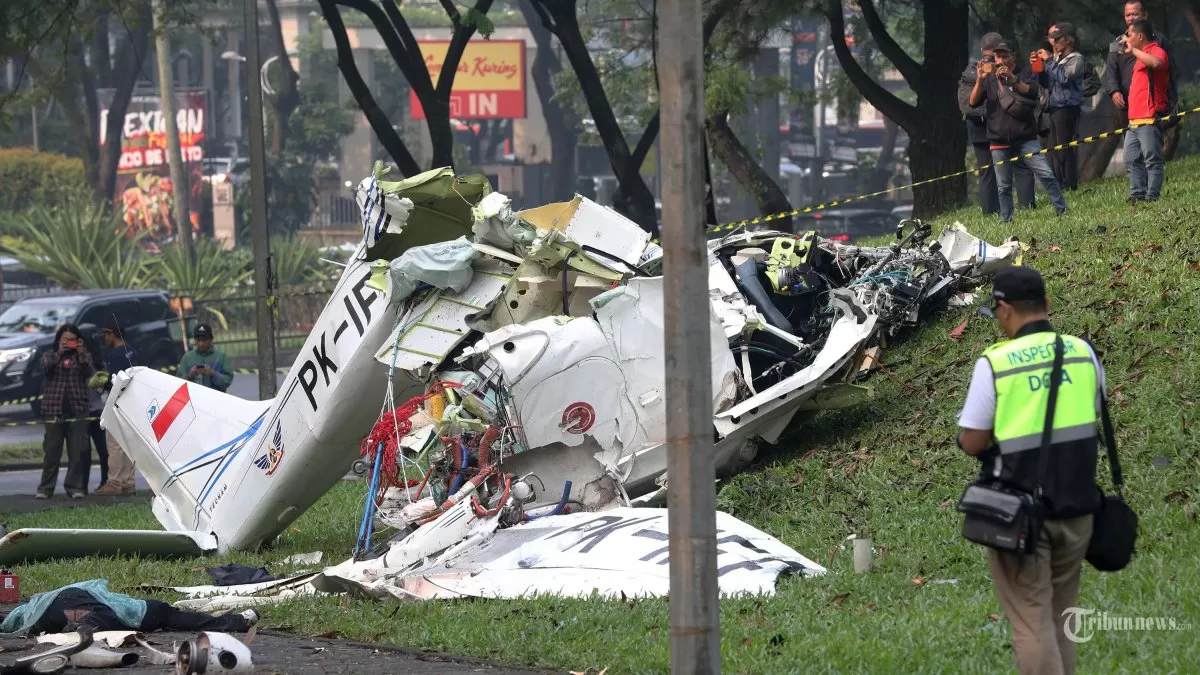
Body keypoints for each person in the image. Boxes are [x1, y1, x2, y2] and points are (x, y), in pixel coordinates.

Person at [957, 267, 1106, 675]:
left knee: (1030, 621)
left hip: (1021, 516)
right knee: (1061, 615)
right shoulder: (1081, 351)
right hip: (1078, 512)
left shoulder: (997, 363)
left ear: (1003, 309)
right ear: (1048, 306)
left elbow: (971, 442)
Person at [968, 35, 1069, 223]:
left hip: (1025, 137)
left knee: (1046, 174)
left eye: (1004, 56)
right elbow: (973, 102)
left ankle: (1062, 210)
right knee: (1003, 186)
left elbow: (1031, 91)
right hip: (998, 140)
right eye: (997, 57)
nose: (1000, 61)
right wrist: (980, 80)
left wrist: (1012, 78)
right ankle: (1006, 219)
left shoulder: (1025, 73)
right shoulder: (989, 79)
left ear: (1013, 57)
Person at [0, 579, 258, 637]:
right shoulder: (51, 601)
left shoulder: (27, 616)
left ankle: (233, 621)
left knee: (171, 616)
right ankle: (237, 622)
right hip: (143, 612)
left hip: (64, 611)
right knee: (173, 616)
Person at [960, 32, 1037, 215]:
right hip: (998, 127)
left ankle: (991, 211)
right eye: (995, 57)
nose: (995, 62)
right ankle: (1024, 207)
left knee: (989, 174)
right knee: (1018, 167)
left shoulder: (971, 70)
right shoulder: (982, 72)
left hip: (986, 129)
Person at [35, 324, 95, 500]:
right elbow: (45, 369)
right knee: (52, 451)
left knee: (77, 451)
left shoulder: (81, 356)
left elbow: (89, 372)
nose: (69, 343)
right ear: (59, 340)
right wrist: (60, 353)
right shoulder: (49, 355)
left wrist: (81, 351)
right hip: (54, 409)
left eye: (72, 340)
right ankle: (46, 488)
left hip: (78, 409)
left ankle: (74, 487)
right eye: (65, 340)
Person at [1104, 1, 1175, 129]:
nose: (1131, 18)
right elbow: (1111, 69)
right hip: (1127, 103)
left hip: (1153, 104)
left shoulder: (1159, 40)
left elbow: (1171, 69)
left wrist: (1172, 97)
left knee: (1152, 142)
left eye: (1135, 14)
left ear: (1145, 15)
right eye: (1127, 15)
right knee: (1130, 143)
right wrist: (1114, 91)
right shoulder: (1117, 43)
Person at [1121, 19, 1169, 203]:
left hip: (1150, 118)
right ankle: (1137, 194)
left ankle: (1152, 196)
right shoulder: (1139, 56)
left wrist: (1132, 50)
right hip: (1134, 121)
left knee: (1152, 160)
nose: (1127, 38)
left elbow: (1157, 64)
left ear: (1140, 36)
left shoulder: (1157, 51)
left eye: (1129, 34)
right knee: (1130, 158)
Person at [1035, 23, 1087, 191]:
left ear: (1069, 40)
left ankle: (1070, 183)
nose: (1054, 42)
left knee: (1066, 148)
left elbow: (1064, 78)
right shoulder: (1056, 60)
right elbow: (1047, 83)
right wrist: (1039, 67)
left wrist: (1049, 61)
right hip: (1054, 107)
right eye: (1052, 39)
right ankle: (1060, 183)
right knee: (1056, 150)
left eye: (1058, 39)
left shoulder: (1076, 59)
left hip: (1068, 107)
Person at [93, 318, 141, 496]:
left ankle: (114, 482)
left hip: (118, 404)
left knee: (114, 444)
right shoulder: (133, 351)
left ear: (111, 333)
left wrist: (101, 384)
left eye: (105, 334)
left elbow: (115, 381)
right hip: (133, 404)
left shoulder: (115, 354)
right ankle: (129, 483)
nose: (104, 338)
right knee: (128, 444)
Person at [178, 324, 233, 392]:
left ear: (211, 339)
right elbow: (178, 384)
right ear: (194, 340)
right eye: (198, 340)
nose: (201, 343)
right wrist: (189, 376)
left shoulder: (221, 357)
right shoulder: (187, 358)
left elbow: (227, 382)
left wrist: (213, 374)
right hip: (194, 399)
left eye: (204, 340)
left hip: (216, 399)